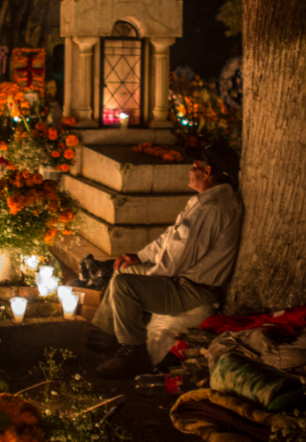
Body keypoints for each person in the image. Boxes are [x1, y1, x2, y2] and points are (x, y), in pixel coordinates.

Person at [92, 143, 243, 377]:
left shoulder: (211, 209)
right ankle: (107, 333)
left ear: (207, 172)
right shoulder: (206, 201)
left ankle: (133, 354)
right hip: (182, 280)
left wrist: (145, 278)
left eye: (195, 165)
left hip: (191, 291)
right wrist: (140, 257)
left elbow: (174, 262)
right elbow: (170, 239)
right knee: (124, 270)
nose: (190, 169)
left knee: (125, 285)